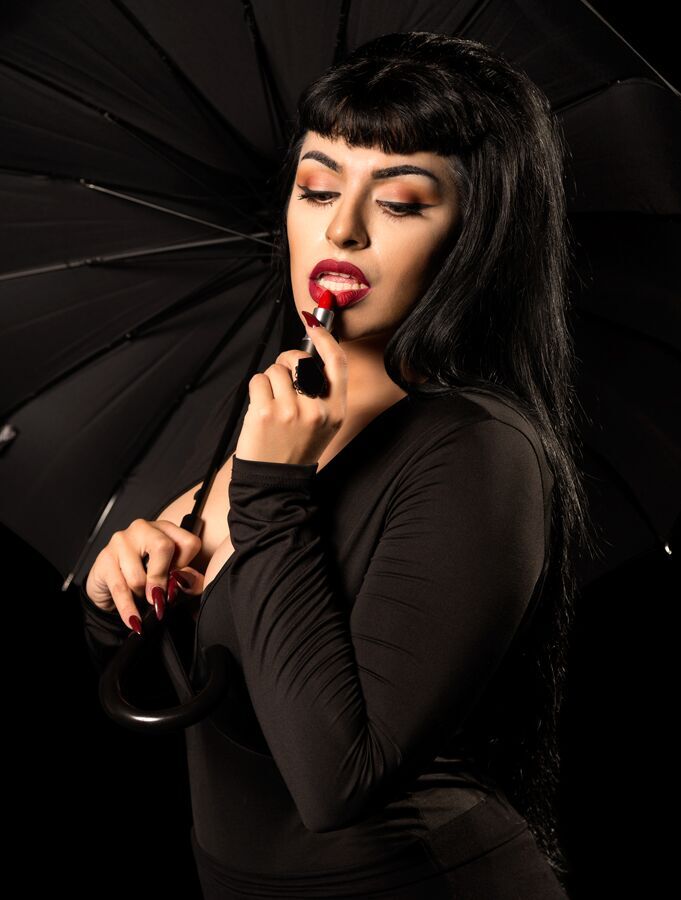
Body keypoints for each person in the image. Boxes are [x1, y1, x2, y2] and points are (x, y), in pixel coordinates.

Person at [79, 32, 595, 899]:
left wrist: (273, 492)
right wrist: (117, 594)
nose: (342, 227)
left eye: (399, 202)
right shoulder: (270, 414)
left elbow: (337, 780)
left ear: (474, 237)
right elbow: (204, 685)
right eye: (318, 188)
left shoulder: (480, 453)